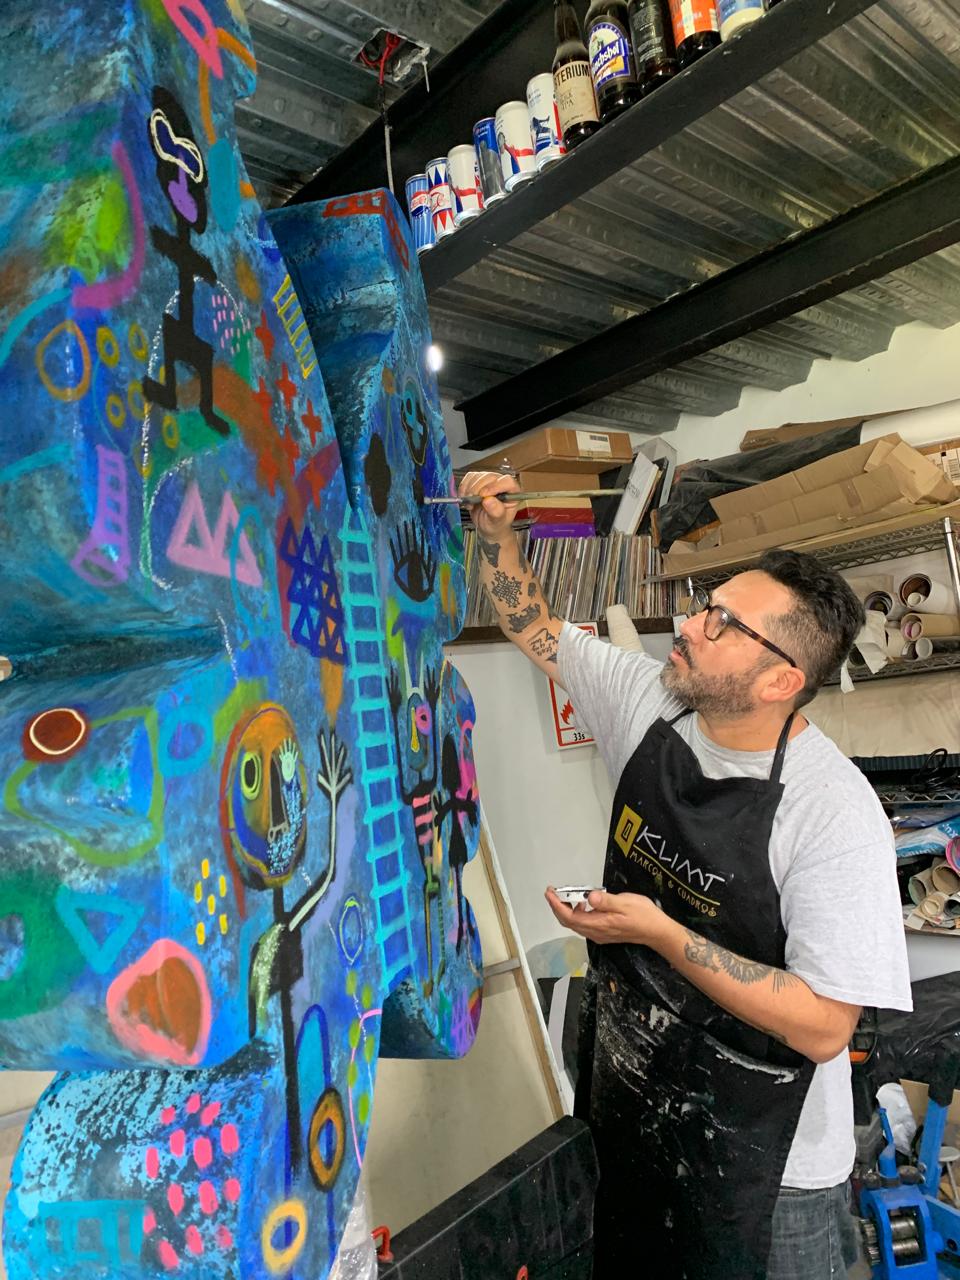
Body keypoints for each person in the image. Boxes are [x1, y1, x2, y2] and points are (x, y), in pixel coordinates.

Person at [459, 470, 912, 1280]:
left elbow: (824, 1026)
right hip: (635, 1113)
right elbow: (536, 629)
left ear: (781, 680)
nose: (690, 626)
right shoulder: (649, 702)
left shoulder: (833, 814)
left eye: (723, 623)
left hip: (772, 1175)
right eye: (707, 604)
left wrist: (663, 935)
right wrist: (496, 539)